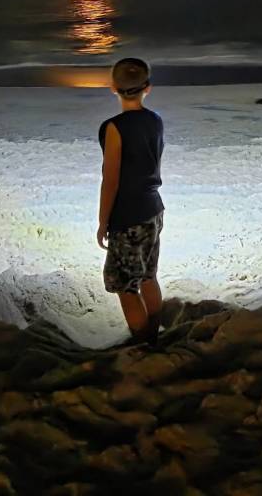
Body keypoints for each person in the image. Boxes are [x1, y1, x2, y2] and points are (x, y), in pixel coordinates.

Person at [97, 57, 165, 346]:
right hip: (154, 209)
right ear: (147, 88)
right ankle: (156, 332)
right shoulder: (155, 120)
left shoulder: (114, 128)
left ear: (113, 87)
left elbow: (111, 179)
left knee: (126, 286)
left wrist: (103, 221)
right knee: (148, 276)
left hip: (129, 217)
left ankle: (143, 344)